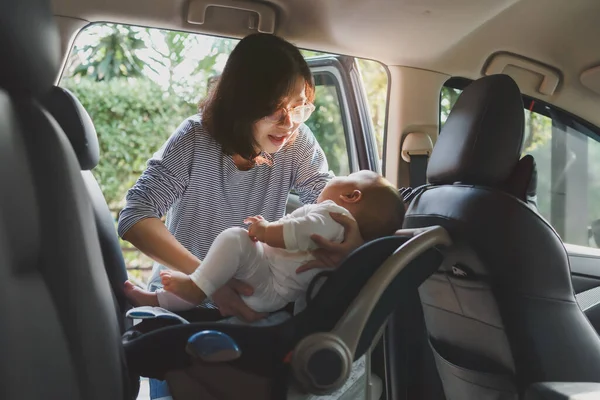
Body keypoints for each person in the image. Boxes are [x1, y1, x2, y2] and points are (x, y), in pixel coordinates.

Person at [117, 33, 363, 323]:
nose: (288, 122)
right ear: (243, 104)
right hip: (181, 301)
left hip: (255, 301)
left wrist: (354, 241)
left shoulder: (298, 142)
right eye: (275, 108)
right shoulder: (194, 138)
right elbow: (135, 215)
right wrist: (207, 282)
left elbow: (327, 202)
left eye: (298, 107)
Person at [124, 171, 405, 312]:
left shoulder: (336, 214)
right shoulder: (336, 221)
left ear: (352, 196)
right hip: (269, 284)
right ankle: (160, 299)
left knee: (234, 238)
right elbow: (135, 214)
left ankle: (196, 289)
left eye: (343, 176)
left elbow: (295, 233)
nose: (289, 120)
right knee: (220, 265)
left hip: (268, 282)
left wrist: (266, 230)